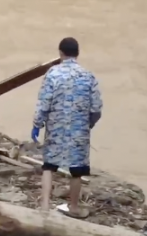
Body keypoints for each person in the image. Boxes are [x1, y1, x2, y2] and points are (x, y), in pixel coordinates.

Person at [31, 37, 102, 218]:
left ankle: (45, 207)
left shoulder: (53, 74)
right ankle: (74, 207)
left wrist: (37, 124)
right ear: (78, 53)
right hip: (79, 130)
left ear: (60, 53)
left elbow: (44, 103)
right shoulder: (88, 75)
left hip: (56, 128)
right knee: (77, 170)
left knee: (49, 166)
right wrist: (89, 123)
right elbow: (96, 108)